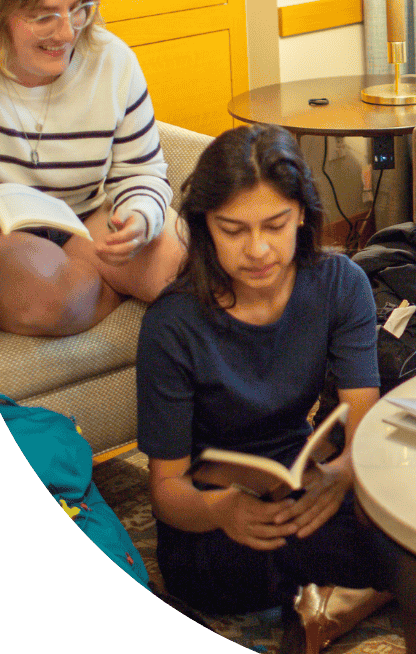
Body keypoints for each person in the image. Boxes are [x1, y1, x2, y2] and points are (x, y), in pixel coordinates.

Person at [135, 124, 394, 624]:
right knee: (237, 567)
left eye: (275, 225)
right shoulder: (173, 325)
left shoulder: (341, 284)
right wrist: (222, 512)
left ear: (301, 212)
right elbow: (167, 491)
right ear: (205, 224)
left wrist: (338, 477)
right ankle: (357, 590)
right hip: (213, 513)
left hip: (302, 477)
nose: (257, 250)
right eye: (233, 230)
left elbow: (363, 429)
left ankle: (338, 593)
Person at [0, 0, 184, 336]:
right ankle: (103, 289)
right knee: (48, 300)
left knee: (180, 264)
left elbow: (143, 171)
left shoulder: (111, 60)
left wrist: (139, 217)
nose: (67, 32)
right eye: (43, 16)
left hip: (87, 217)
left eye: (78, 9)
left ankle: (90, 288)